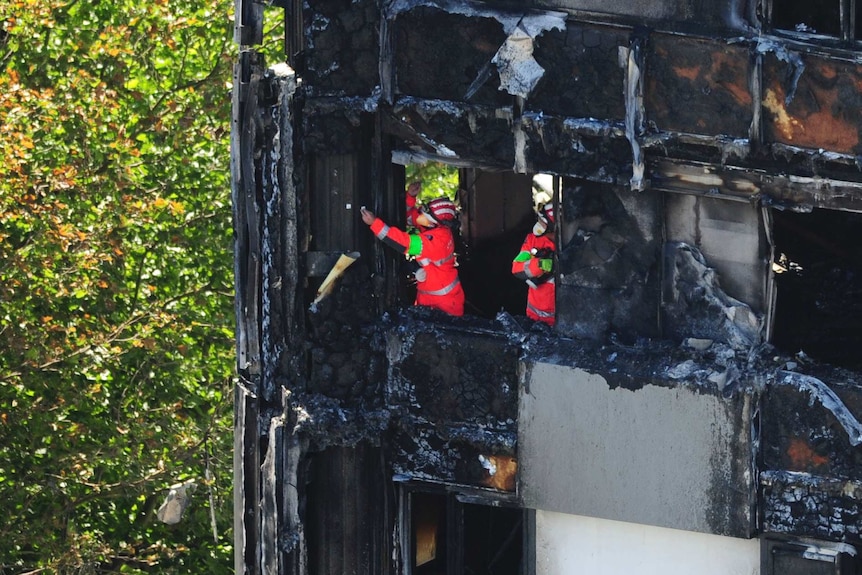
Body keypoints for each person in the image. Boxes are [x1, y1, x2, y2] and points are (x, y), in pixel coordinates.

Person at [360, 184, 465, 317]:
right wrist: (410, 197)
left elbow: (404, 243)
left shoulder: (435, 241)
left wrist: (374, 223)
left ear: (434, 222)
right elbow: (409, 216)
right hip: (434, 297)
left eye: (425, 214)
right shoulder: (436, 228)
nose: (421, 215)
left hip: (444, 304)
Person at [512, 203, 555, 325]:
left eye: (543, 222)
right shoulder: (532, 240)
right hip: (534, 316)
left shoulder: (571, 245)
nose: (539, 226)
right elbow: (516, 267)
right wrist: (539, 264)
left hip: (562, 319)